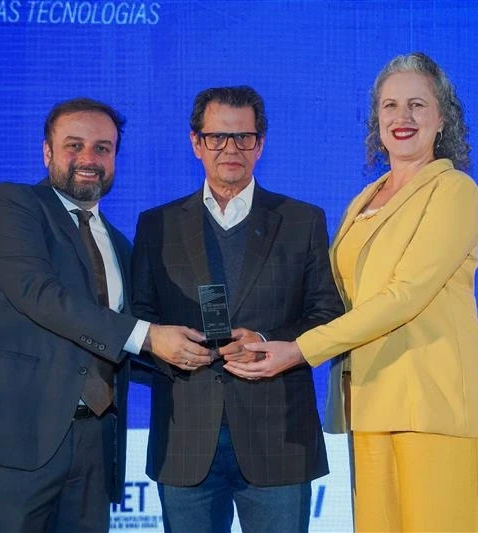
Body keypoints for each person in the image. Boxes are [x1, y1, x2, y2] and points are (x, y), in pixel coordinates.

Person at [227, 53, 478, 532]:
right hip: (369, 404)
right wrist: (269, 337)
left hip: (434, 406)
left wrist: (299, 351)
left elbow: (404, 296)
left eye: (418, 104)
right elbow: (335, 301)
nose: (402, 116)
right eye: (390, 105)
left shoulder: (454, 191)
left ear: (442, 118)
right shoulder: (366, 198)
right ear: (377, 119)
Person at [0, 97, 212, 532]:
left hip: (95, 445)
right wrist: (150, 336)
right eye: (74, 145)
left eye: (103, 148)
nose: (89, 159)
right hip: (12, 438)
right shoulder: (12, 205)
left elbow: (122, 338)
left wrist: (208, 356)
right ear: (48, 152)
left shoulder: (119, 244)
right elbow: (40, 296)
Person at [131, 85, 344, 533]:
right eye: (217, 137)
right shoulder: (157, 225)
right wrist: (165, 347)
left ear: (260, 144)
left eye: (243, 137)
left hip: (279, 438)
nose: (230, 148)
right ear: (196, 143)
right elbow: (138, 317)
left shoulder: (302, 220)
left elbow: (327, 313)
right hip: (184, 439)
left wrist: (268, 342)